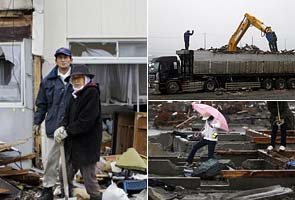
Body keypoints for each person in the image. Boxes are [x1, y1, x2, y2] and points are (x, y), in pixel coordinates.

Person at [54, 65, 103, 200]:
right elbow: (67, 115)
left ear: (86, 78)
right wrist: (62, 127)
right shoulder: (74, 95)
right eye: (73, 78)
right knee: (64, 175)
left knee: (89, 180)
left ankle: (96, 198)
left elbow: (86, 121)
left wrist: (68, 131)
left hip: (86, 145)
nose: (76, 81)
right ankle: (67, 195)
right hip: (72, 144)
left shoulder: (91, 93)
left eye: (79, 78)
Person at [34, 47, 73, 200]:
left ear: (71, 60)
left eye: (66, 57)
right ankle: (48, 188)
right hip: (53, 126)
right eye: (60, 57)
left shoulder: (77, 78)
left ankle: (68, 188)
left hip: (72, 127)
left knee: (71, 160)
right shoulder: (47, 81)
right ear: (56, 60)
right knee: (51, 160)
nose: (63, 60)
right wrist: (37, 121)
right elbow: (42, 103)